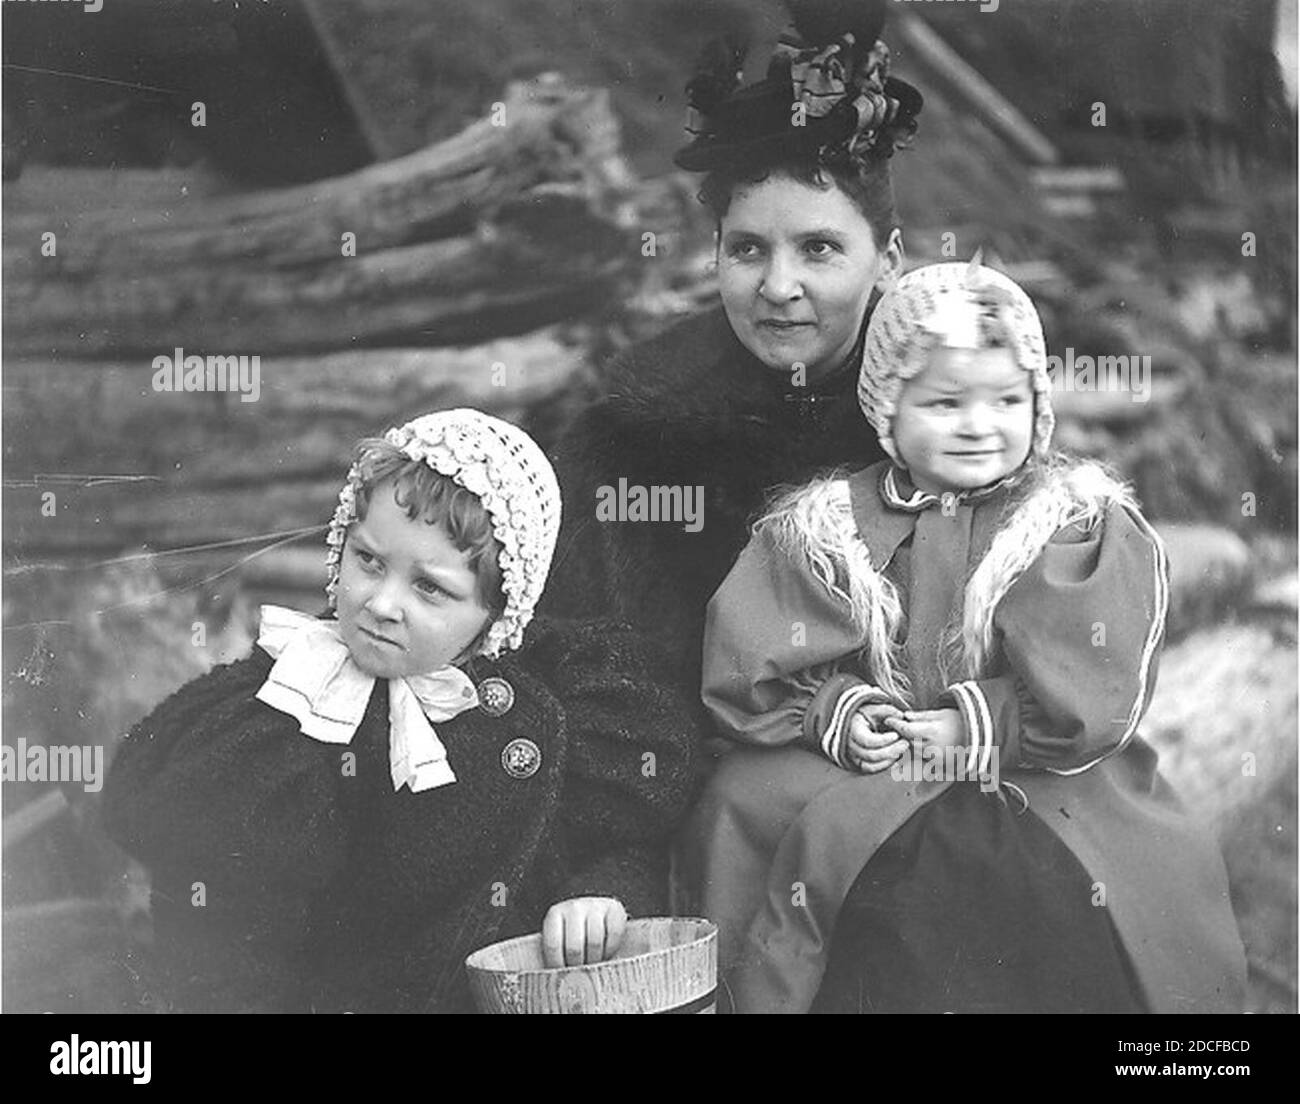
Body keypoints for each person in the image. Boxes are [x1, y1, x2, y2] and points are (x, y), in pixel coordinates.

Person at [687, 261, 1248, 1013]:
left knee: (1055, 881)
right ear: (888, 408)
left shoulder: (1067, 522)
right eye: (946, 403)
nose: (980, 425)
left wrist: (981, 721)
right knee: (741, 804)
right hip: (869, 762)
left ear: (1037, 407)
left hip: (1029, 765)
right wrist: (840, 714)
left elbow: (1090, 684)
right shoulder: (831, 525)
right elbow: (753, 656)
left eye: (1006, 400)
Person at [102, 409, 698, 1013]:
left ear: (499, 610)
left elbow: (628, 841)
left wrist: (597, 896)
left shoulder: (558, 696)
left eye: (430, 588)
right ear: (341, 546)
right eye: (369, 561)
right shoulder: (285, 701)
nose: (382, 604)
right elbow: (215, 927)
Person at [543, 0, 922, 698]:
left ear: (888, 260)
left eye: (819, 249)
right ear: (715, 253)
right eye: (748, 249)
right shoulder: (632, 441)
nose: (780, 287)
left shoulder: (948, 424)